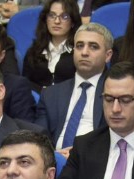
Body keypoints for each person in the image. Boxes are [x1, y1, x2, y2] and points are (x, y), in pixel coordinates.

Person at [35, 23, 112, 151]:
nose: (84, 52)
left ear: (108, 55)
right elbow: (38, 137)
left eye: (93, 47)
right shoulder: (51, 94)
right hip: (55, 157)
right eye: (80, 46)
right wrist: (55, 155)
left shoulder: (116, 93)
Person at [22, 0, 81, 89]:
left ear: (73, 22)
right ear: (46, 20)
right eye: (52, 15)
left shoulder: (80, 52)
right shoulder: (33, 51)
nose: (57, 21)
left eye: (64, 16)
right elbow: (25, 85)